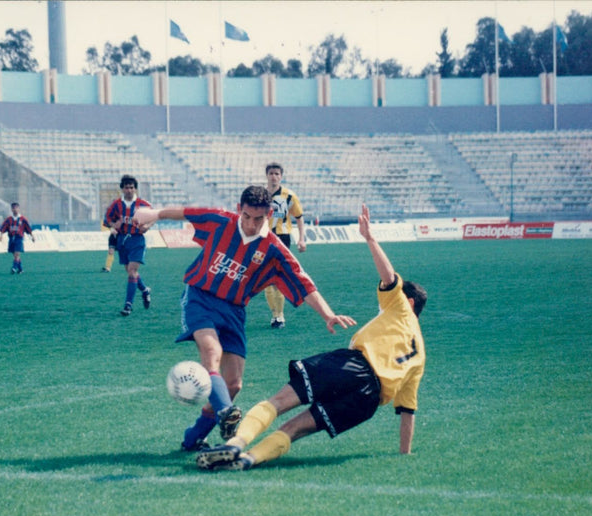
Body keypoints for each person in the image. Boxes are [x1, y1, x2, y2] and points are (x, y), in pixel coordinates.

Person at [196, 203, 427, 471]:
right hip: (367, 401)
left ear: (408, 302)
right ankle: (249, 459)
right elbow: (407, 412)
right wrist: (405, 455)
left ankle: (234, 444)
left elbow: (388, 278)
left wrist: (370, 238)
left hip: (352, 366)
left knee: (278, 402)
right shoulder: (420, 355)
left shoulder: (400, 308)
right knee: (294, 429)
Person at [132, 185, 356, 452]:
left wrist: (328, 315)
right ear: (239, 210)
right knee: (211, 352)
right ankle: (226, 412)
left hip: (235, 311)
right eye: (247, 216)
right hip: (200, 297)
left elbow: (303, 282)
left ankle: (193, 438)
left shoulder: (274, 249)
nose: (251, 224)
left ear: (269, 214)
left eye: (258, 219)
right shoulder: (220, 221)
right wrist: (155, 214)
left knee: (234, 384)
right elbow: (184, 212)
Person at [264, 162, 307, 329]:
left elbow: (299, 216)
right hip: (263, 238)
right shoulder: (260, 195)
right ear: (267, 175)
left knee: (279, 277)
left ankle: (280, 315)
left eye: (277, 174)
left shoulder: (289, 196)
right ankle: (274, 315)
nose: (274, 176)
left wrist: (301, 239)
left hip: (282, 238)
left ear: (281, 176)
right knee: (267, 278)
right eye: (271, 173)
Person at [103, 175, 152, 316]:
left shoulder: (143, 204)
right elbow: (107, 219)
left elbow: (155, 216)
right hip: (123, 240)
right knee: (131, 272)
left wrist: (147, 226)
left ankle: (128, 305)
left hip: (137, 240)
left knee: (132, 271)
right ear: (122, 189)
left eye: (132, 187)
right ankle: (145, 290)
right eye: (126, 187)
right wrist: (113, 225)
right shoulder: (116, 205)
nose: (129, 190)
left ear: (135, 188)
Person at [0, 202, 35, 275]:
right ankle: (20, 269)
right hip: (11, 238)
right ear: (11, 209)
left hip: (19, 238)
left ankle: (14, 268)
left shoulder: (23, 219)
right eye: (13, 208)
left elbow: (28, 228)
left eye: (16, 208)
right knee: (15, 255)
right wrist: (1, 235)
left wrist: (32, 236)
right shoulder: (9, 219)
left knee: (17, 254)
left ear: (19, 209)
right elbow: (3, 228)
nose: (15, 209)